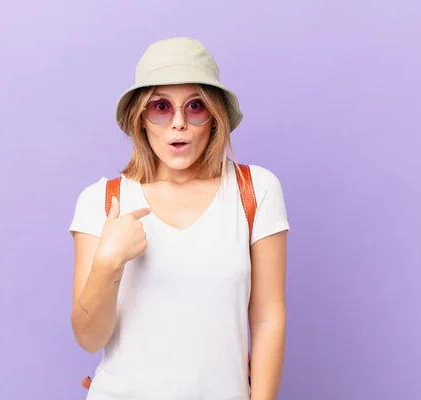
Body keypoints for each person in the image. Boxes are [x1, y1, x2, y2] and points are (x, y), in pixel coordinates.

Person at [68, 37, 290, 399]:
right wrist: (108, 262)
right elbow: (89, 338)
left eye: (195, 106)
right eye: (160, 106)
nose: (178, 123)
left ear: (214, 116)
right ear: (140, 118)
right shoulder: (102, 201)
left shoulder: (255, 191)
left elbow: (268, 321)